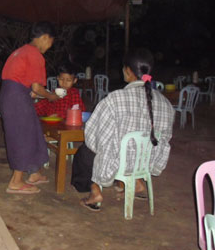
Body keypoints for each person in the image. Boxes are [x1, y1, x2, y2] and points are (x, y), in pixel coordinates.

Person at [71, 48, 174, 211]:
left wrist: (104, 149)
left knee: (84, 153)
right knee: (121, 148)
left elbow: (94, 136)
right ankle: (137, 182)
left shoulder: (115, 99)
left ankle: (94, 191)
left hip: (117, 163)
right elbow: (165, 139)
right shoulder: (166, 104)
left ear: (128, 70)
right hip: (145, 163)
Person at [0, 21, 60, 194]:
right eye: (50, 42)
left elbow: (26, 86)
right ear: (45, 38)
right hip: (16, 98)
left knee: (32, 131)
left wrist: (35, 94)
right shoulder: (34, 54)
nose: (49, 47)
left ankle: (34, 173)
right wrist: (51, 96)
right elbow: (36, 88)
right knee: (22, 136)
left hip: (11, 95)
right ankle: (16, 182)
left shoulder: (20, 51)